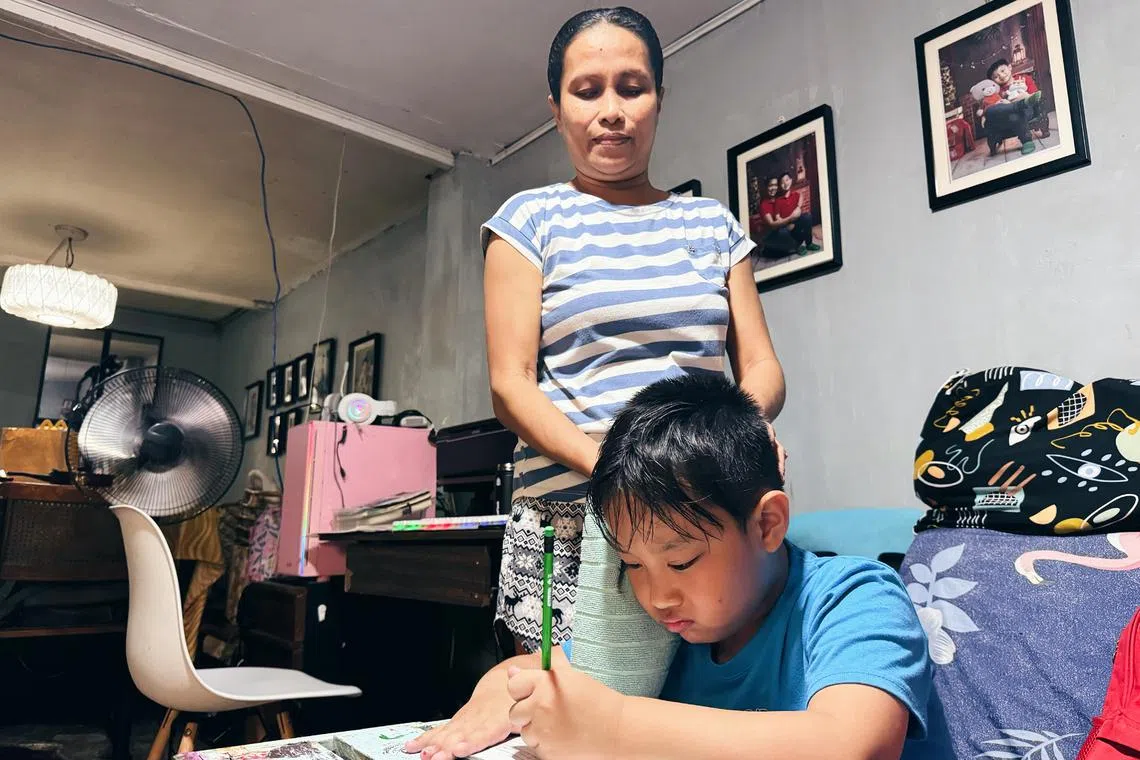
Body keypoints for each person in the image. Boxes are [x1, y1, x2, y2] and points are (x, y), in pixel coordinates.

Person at [407, 374, 947, 760]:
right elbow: (535, 675)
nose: (656, 596)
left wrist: (614, 727)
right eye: (631, 565)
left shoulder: (854, 598)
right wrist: (502, 692)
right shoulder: (661, 626)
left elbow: (853, 746)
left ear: (767, 524)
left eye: (682, 561)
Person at [477, 5, 786, 660]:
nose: (611, 110)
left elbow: (762, 369)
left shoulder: (711, 226)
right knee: (568, 722)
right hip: (570, 514)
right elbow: (510, 385)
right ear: (557, 109)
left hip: (700, 514)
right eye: (586, 91)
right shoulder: (528, 221)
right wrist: (625, 475)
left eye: (632, 87)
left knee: (700, 717)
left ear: (658, 101)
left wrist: (731, 439)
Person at [759, 173, 821, 257]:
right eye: (771, 185)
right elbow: (773, 225)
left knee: (807, 216)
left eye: (776, 185)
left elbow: (799, 195)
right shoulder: (764, 204)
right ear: (766, 187)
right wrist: (790, 219)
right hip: (775, 234)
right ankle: (794, 247)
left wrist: (798, 207)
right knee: (782, 231)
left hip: (787, 228)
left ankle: (808, 243)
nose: (774, 188)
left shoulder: (779, 198)